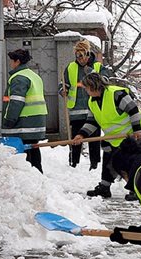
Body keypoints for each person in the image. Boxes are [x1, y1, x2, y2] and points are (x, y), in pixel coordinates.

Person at [72, 72, 141, 200]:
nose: (85, 90)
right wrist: (81, 135)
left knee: (133, 162)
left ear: (93, 86)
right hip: (116, 137)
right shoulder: (92, 102)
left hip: (135, 134)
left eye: (86, 88)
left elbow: (133, 110)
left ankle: (138, 189)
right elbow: (92, 122)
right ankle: (104, 187)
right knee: (109, 158)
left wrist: (137, 130)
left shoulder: (116, 94)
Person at [60, 39, 110, 170]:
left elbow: (105, 81)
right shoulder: (71, 67)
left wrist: (92, 73)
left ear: (88, 54)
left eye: (83, 55)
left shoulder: (98, 67)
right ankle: (73, 162)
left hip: (93, 109)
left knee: (94, 138)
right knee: (76, 138)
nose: (81, 59)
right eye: (78, 56)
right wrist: (63, 89)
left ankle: (94, 164)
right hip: (76, 110)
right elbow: (64, 83)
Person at [1, 49, 47, 173]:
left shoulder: (19, 78)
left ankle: (30, 177)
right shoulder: (34, 76)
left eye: (12, 61)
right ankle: (38, 175)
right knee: (33, 149)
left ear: (18, 61)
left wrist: (9, 120)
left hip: (24, 122)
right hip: (36, 121)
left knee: (24, 153)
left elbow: (16, 102)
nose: (11, 63)